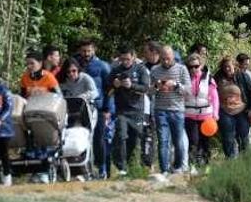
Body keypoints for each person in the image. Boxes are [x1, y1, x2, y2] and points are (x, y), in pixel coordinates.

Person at [108, 46, 151, 175]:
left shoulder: (141, 69)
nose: (125, 61)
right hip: (121, 110)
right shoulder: (116, 70)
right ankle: (121, 167)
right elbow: (107, 87)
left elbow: (145, 88)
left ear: (133, 57)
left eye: (127, 59)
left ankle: (131, 166)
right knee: (121, 136)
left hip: (137, 110)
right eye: (122, 59)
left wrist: (131, 85)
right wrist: (114, 84)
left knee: (134, 140)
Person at [150, 46, 190, 174]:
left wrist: (176, 85)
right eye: (163, 59)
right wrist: (156, 87)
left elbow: (188, 90)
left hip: (177, 110)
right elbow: (149, 91)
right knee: (163, 140)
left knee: (178, 141)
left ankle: (177, 166)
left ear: (173, 57)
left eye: (168, 58)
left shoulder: (182, 69)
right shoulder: (155, 70)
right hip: (160, 110)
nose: (165, 61)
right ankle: (164, 170)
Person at [76, 40, 112, 175]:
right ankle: (82, 169)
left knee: (99, 138)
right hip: (79, 108)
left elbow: (109, 89)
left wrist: (107, 108)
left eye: (89, 51)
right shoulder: (76, 65)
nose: (86, 54)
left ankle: (102, 168)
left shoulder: (103, 66)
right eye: (84, 51)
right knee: (82, 138)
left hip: (99, 107)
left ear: (94, 50)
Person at [214, 56, 251, 158]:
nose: (227, 69)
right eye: (225, 67)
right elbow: (212, 92)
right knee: (228, 136)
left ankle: (246, 159)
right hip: (225, 110)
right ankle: (231, 159)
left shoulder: (242, 76)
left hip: (241, 110)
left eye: (229, 66)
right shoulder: (218, 77)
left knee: (244, 135)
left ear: (234, 66)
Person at [184, 53, 219, 165]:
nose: (193, 69)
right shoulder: (185, 79)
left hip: (206, 115)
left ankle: (205, 162)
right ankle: (193, 162)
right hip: (189, 115)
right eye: (191, 67)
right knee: (193, 140)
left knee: (205, 141)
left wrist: (215, 113)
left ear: (201, 65)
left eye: (196, 66)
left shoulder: (208, 79)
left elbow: (215, 97)